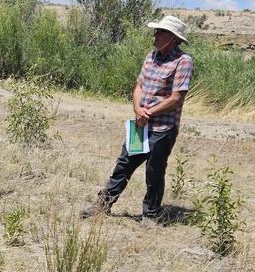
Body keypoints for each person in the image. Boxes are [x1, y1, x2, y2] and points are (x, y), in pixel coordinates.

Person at [81, 14, 193, 222]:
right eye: (156, 31)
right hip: (141, 126)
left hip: (163, 129)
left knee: (154, 172)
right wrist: (137, 109)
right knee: (123, 165)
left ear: (173, 37)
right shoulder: (151, 57)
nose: (155, 35)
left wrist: (147, 113)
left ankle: (151, 215)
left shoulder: (183, 61)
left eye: (161, 32)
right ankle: (102, 205)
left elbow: (177, 98)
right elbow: (139, 86)